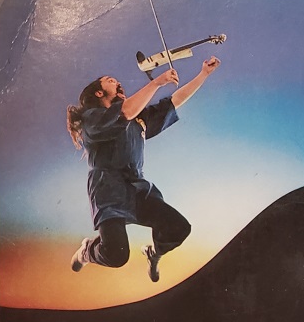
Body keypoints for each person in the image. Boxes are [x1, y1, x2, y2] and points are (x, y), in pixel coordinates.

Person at [65, 56, 221, 281]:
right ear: (98, 93)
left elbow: (174, 101)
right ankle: (87, 251)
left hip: (136, 188)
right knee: (116, 255)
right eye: (110, 81)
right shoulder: (93, 119)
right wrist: (157, 82)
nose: (118, 83)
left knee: (178, 228)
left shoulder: (138, 119)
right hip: (108, 189)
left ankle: (153, 253)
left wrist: (203, 74)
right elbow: (125, 112)